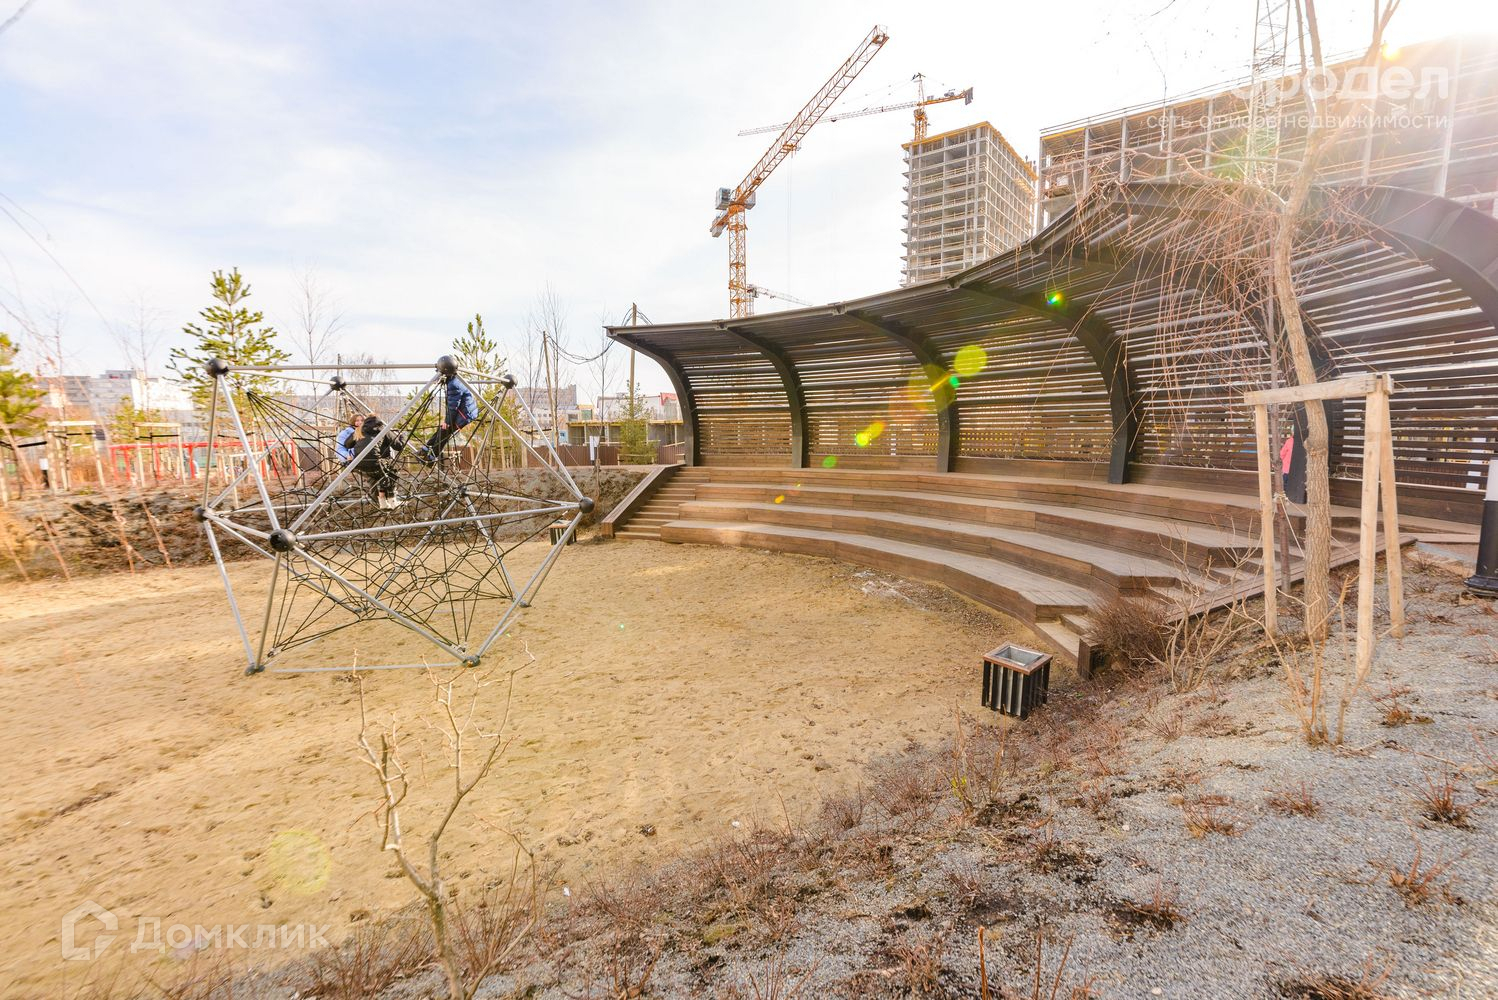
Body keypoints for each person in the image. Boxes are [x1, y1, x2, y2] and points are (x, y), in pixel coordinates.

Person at [421, 355, 479, 463]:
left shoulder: (454, 385)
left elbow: (453, 407)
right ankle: (426, 449)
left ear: (445, 373)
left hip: (465, 414)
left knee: (445, 431)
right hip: (464, 411)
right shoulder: (454, 381)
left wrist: (447, 422)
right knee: (442, 430)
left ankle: (431, 457)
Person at [351, 415, 406, 510]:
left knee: (380, 477)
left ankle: (382, 502)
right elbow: (399, 446)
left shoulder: (359, 430)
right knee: (392, 473)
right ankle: (392, 501)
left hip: (360, 465)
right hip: (376, 463)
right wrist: (403, 436)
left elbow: (347, 444)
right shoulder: (383, 430)